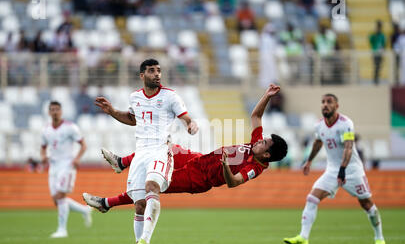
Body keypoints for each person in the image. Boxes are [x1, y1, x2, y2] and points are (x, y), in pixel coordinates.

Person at [83, 84, 288, 216]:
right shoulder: (256, 145)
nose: (260, 141)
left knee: (152, 185)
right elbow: (256, 117)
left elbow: (233, 183)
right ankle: (122, 163)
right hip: (200, 159)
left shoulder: (255, 167)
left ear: (267, 155)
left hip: (199, 179)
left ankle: (107, 203)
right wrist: (267, 96)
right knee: (165, 147)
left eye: (264, 143)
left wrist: (226, 166)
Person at [91, 59, 198, 244]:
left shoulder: (170, 96)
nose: (157, 74)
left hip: (160, 149)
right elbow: (133, 119)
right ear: (142, 75)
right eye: (152, 71)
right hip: (140, 153)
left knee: (152, 187)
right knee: (139, 205)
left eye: (159, 71)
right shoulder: (135, 97)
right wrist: (112, 111)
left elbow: (186, 118)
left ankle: (145, 241)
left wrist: (191, 124)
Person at [283, 94, 386, 244]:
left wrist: (343, 170)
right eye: (323, 102)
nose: (325, 105)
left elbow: (348, 147)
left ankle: (379, 238)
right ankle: (303, 238)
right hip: (331, 170)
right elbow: (318, 142)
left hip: (352, 171)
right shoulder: (319, 125)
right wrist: (309, 160)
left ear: (336, 106)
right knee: (312, 198)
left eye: (329, 102)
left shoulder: (345, 124)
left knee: (366, 204)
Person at [41, 101, 92, 238]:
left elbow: (83, 145)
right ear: (49, 112)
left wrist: (77, 159)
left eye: (57, 109)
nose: (55, 112)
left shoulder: (70, 127)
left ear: (61, 111)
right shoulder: (46, 130)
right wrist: (43, 157)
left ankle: (62, 230)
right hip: (53, 166)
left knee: (60, 196)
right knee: (56, 200)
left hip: (67, 165)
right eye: (52, 109)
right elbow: (43, 146)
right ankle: (84, 210)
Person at [369, 20, 386, 85]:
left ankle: (377, 79)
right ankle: (375, 79)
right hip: (375, 52)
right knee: (375, 66)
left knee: (379, 66)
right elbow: (371, 41)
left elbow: (384, 44)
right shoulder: (374, 34)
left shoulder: (382, 35)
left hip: (380, 53)